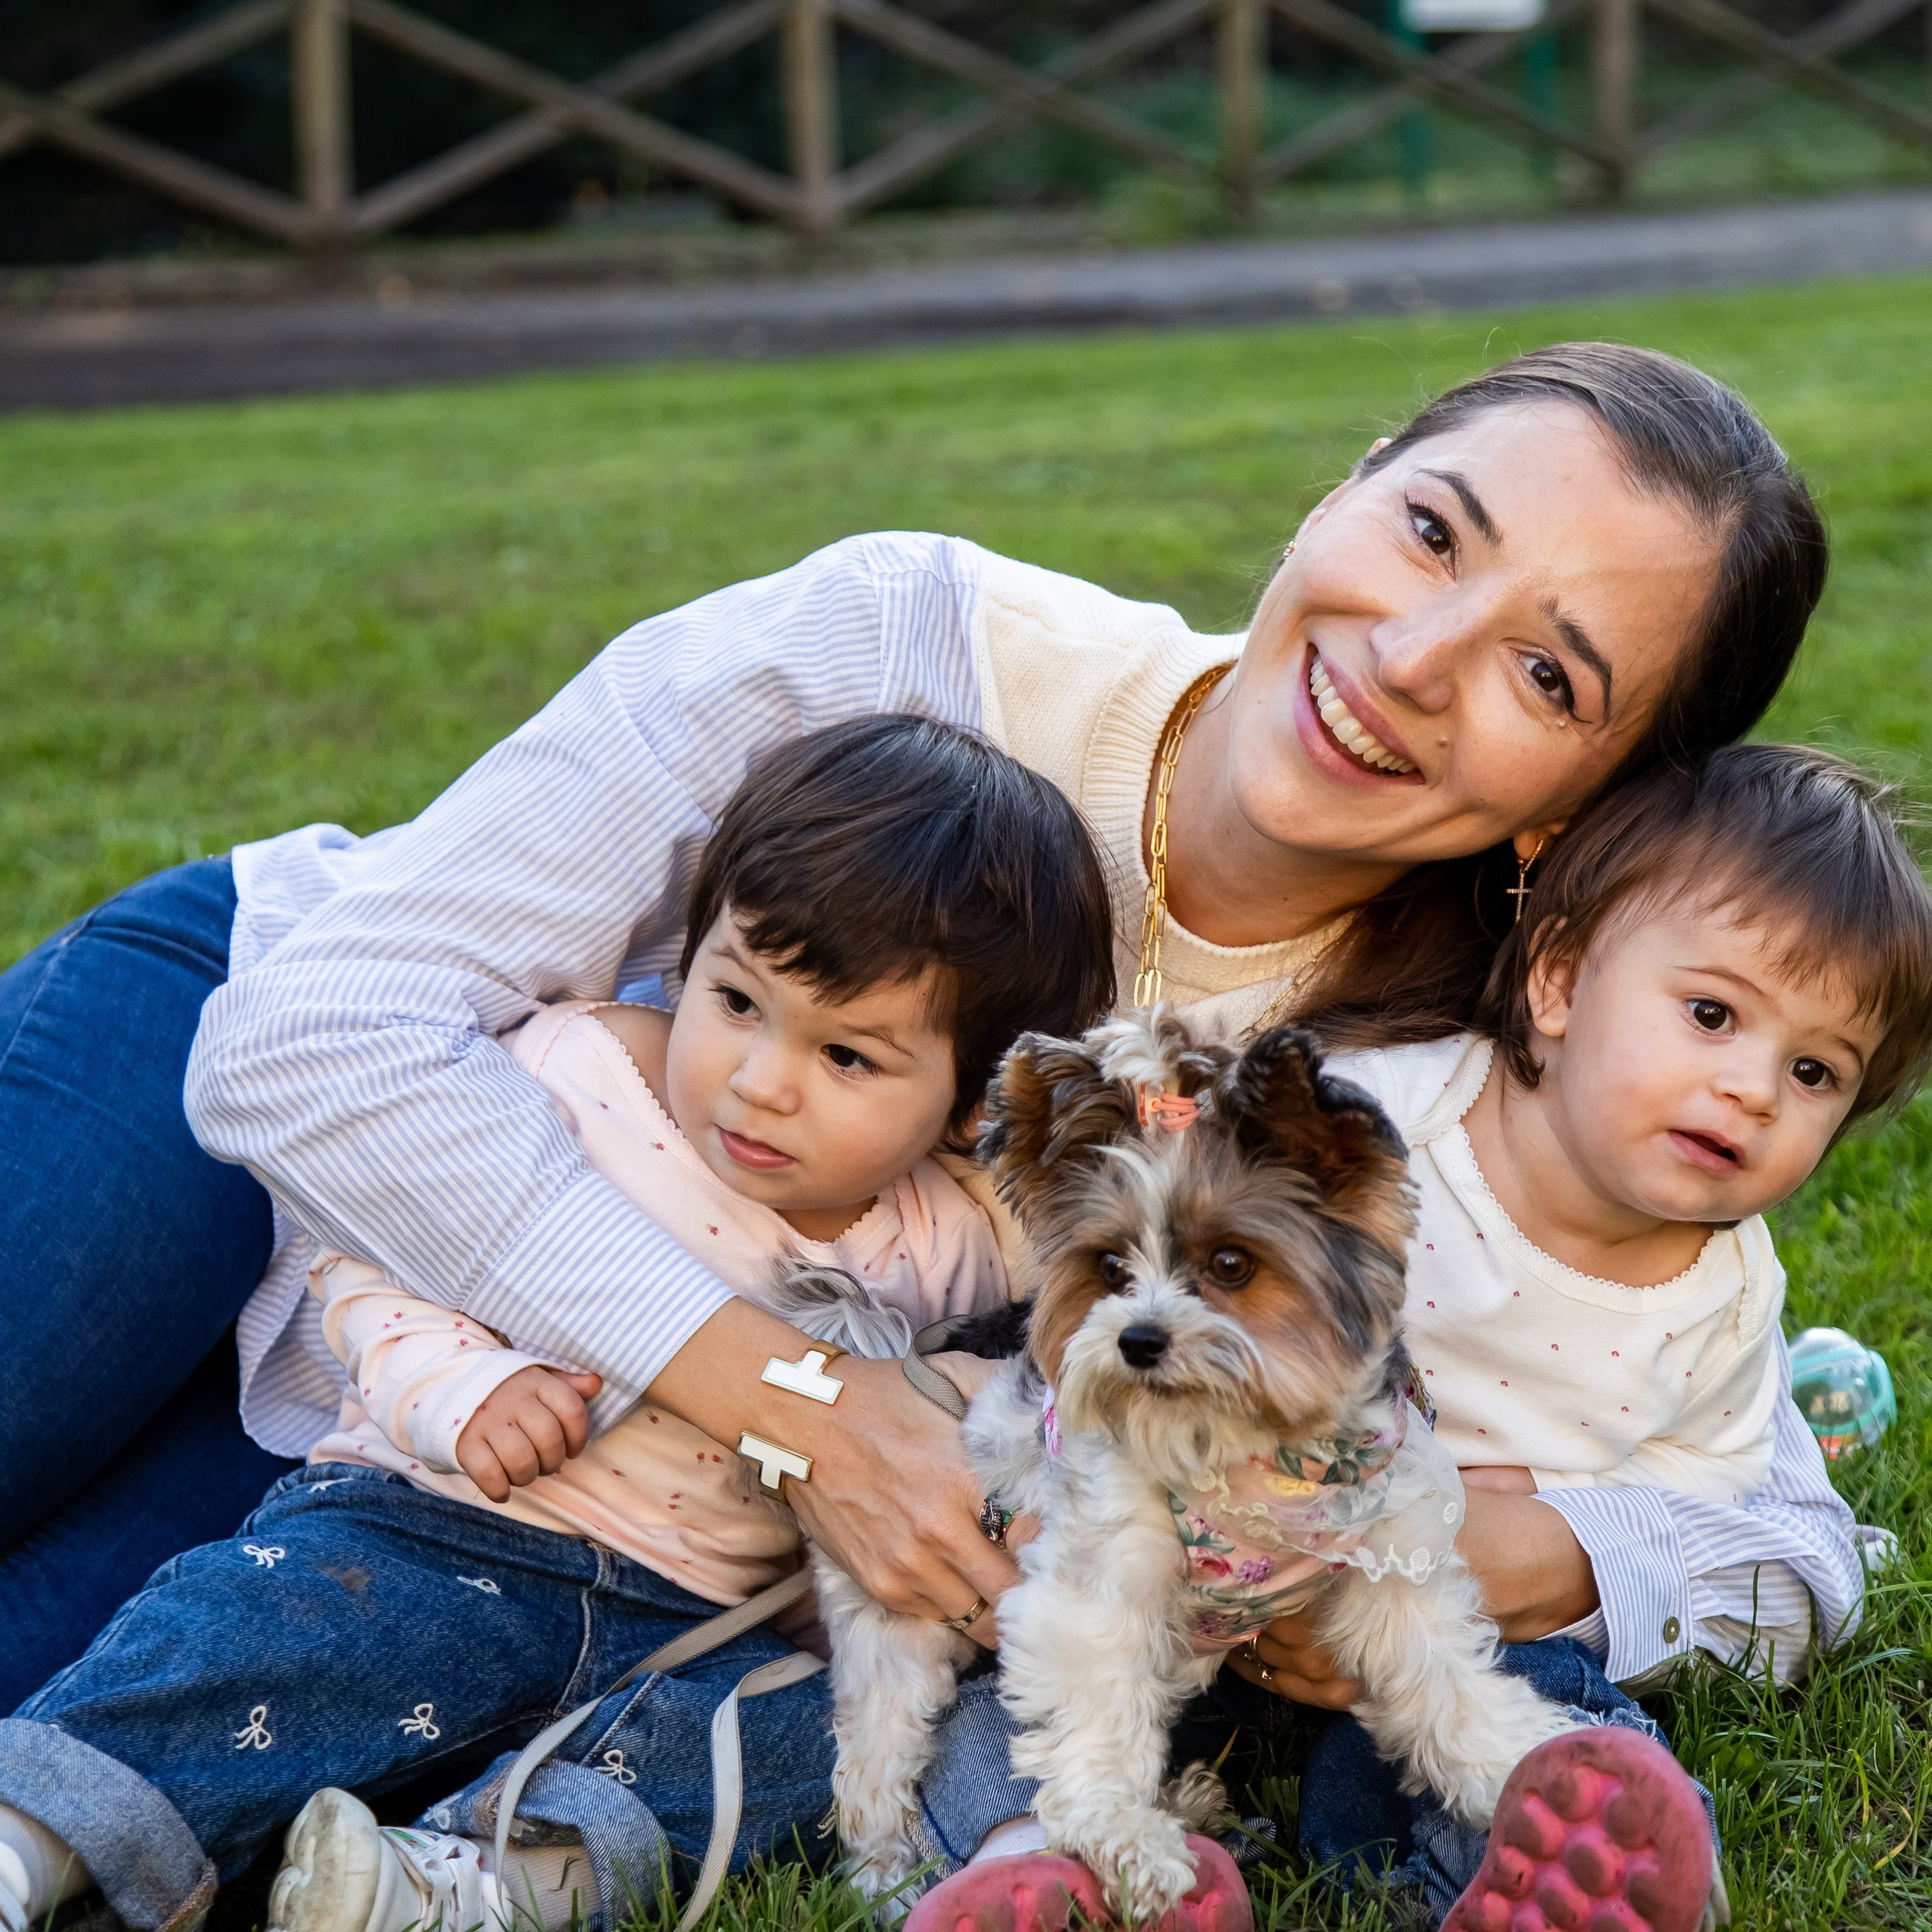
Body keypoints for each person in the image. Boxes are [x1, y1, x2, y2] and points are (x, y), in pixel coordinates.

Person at [0, 343, 1836, 1874]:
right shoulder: (902, 643)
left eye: (1544, 672)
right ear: (1345, 483)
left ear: (1579, 805)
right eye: (1428, 526)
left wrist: (1568, 1556)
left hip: (461, 1426)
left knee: (59, 1705)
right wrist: (797, 1398)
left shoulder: (1429, 1083)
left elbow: (1779, 1520)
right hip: (252, 1088)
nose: (1414, 651)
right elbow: (311, 1037)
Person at [0, 716, 1119, 1932]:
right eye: (737, 998)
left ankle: (463, 1887)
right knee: (252, 1646)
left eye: (848, 1056)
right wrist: (459, 1388)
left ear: (966, 1107)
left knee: (817, 1734)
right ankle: (38, 1831)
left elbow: (1075, 1292)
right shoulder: (581, 1074)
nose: (759, 1080)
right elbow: (376, 1241)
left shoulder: (947, 1235)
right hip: (431, 1535)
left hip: (691, 1632)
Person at [1275, 742, 1931, 1924]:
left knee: (1528, 1701)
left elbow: (1708, 1491)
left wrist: (1543, 1515)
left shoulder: (1726, 1296)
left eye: (1816, 1070)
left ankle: (1570, 1858)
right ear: (1562, 982)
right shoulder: (1381, 1119)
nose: (1755, 1089)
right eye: (1712, 1013)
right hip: (1241, 1560)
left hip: (1464, 1619)